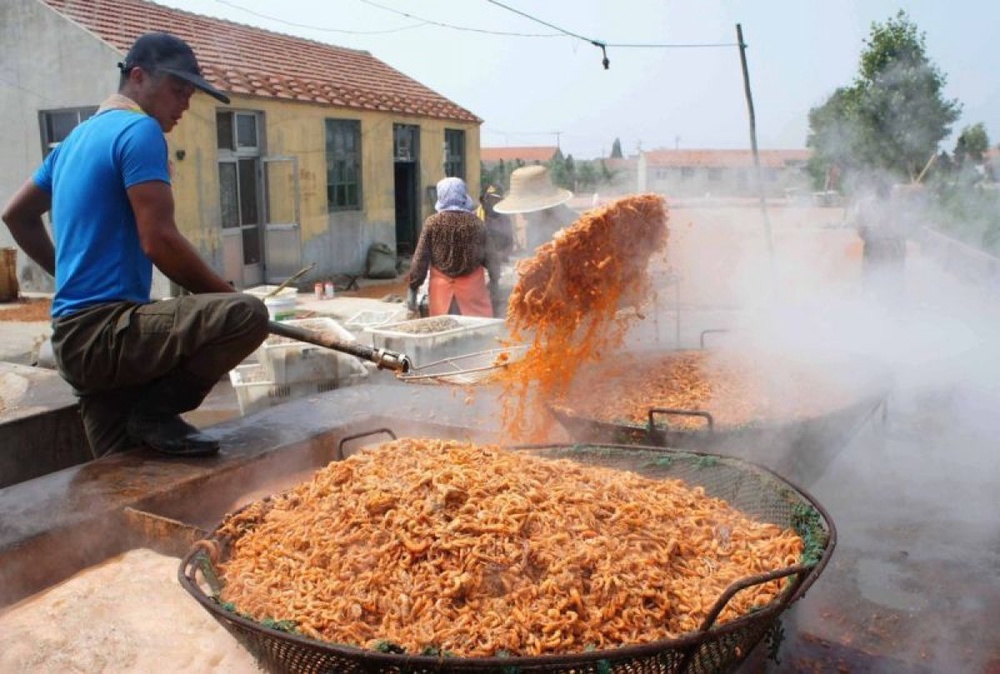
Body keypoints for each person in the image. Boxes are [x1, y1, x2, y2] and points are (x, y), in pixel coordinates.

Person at [1, 32, 269, 459]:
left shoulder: (72, 141)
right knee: (246, 315)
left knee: (123, 476)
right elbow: (158, 240)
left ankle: (147, 420)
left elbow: (16, 215)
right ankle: (156, 411)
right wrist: (225, 295)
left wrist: (66, 274)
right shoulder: (139, 130)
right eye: (178, 90)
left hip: (73, 343)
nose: (185, 104)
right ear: (139, 77)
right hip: (108, 334)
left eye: (190, 94)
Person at [408, 177, 498, 317]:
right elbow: (491, 257)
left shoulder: (432, 223)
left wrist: (413, 289)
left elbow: (420, 260)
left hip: (441, 294)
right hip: (472, 292)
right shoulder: (476, 223)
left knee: (444, 333)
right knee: (476, 333)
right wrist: (495, 280)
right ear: (463, 195)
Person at [492, 165, 576, 254]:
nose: (523, 215)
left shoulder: (576, 226)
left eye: (524, 208)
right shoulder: (531, 227)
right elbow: (533, 258)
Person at [851, 176, 907, 305]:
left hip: (894, 248)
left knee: (894, 282)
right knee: (872, 280)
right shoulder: (864, 204)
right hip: (875, 248)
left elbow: (905, 227)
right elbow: (860, 229)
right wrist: (875, 236)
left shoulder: (898, 205)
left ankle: (894, 307)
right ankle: (871, 307)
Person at [477, 184, 514, 264]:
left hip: (502, 263)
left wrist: (502, 254)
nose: (492, 202)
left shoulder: (505, 218)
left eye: (496, 200)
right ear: (483, 200)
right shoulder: (475, 217)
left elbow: (510, 242)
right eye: (489, 199)